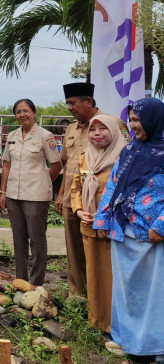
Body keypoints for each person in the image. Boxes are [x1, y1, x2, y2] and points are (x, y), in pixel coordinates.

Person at [93, 98, 164, 362]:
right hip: (125, 230)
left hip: (153, 236)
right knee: (127, 290)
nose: (134, 125)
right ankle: (128, 340)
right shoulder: (130, 150)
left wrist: (161, 224)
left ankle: (155, 348)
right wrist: (103, 219)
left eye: (139, 119)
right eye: (132, 119)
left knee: (155, 292)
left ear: (155, 119)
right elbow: (113, 186)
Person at [55, 82, 128, 295]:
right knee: (74, 250)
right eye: (67, 103)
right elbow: (67, 164)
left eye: (73, 103)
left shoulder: (112, 124)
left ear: (88, 101)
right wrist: (60, 195)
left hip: (100, 203)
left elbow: (124, 162)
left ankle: (102, 295)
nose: (69, 107)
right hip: (72, 199)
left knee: (100, 251)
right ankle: (77, 295)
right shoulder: (70, 128)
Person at [70, 114, 127, 333]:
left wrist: (106, 216)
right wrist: (79, 210)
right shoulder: (84, 158)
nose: (96, 134)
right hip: (88, 225)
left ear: (113, 131)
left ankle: (115, 325)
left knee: (113, 277)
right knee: (93, 275)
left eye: (102, 129)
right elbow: (75, 187)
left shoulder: (124, 158)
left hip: (112, 228)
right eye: (93, 130)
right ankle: (96, 321)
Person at [0, 99, 62, 286]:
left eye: (25, 110)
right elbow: (6, 165)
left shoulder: (45, 136)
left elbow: (56, 165)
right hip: (13, 195)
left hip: (36, 195)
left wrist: (43, 181)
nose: (22, 114)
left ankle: (36, 283)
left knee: (37, 240)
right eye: (18, 111)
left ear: (34, 112)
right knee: (18, 239)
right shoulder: (12, 136)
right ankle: (20, 280)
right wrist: (3, 192)